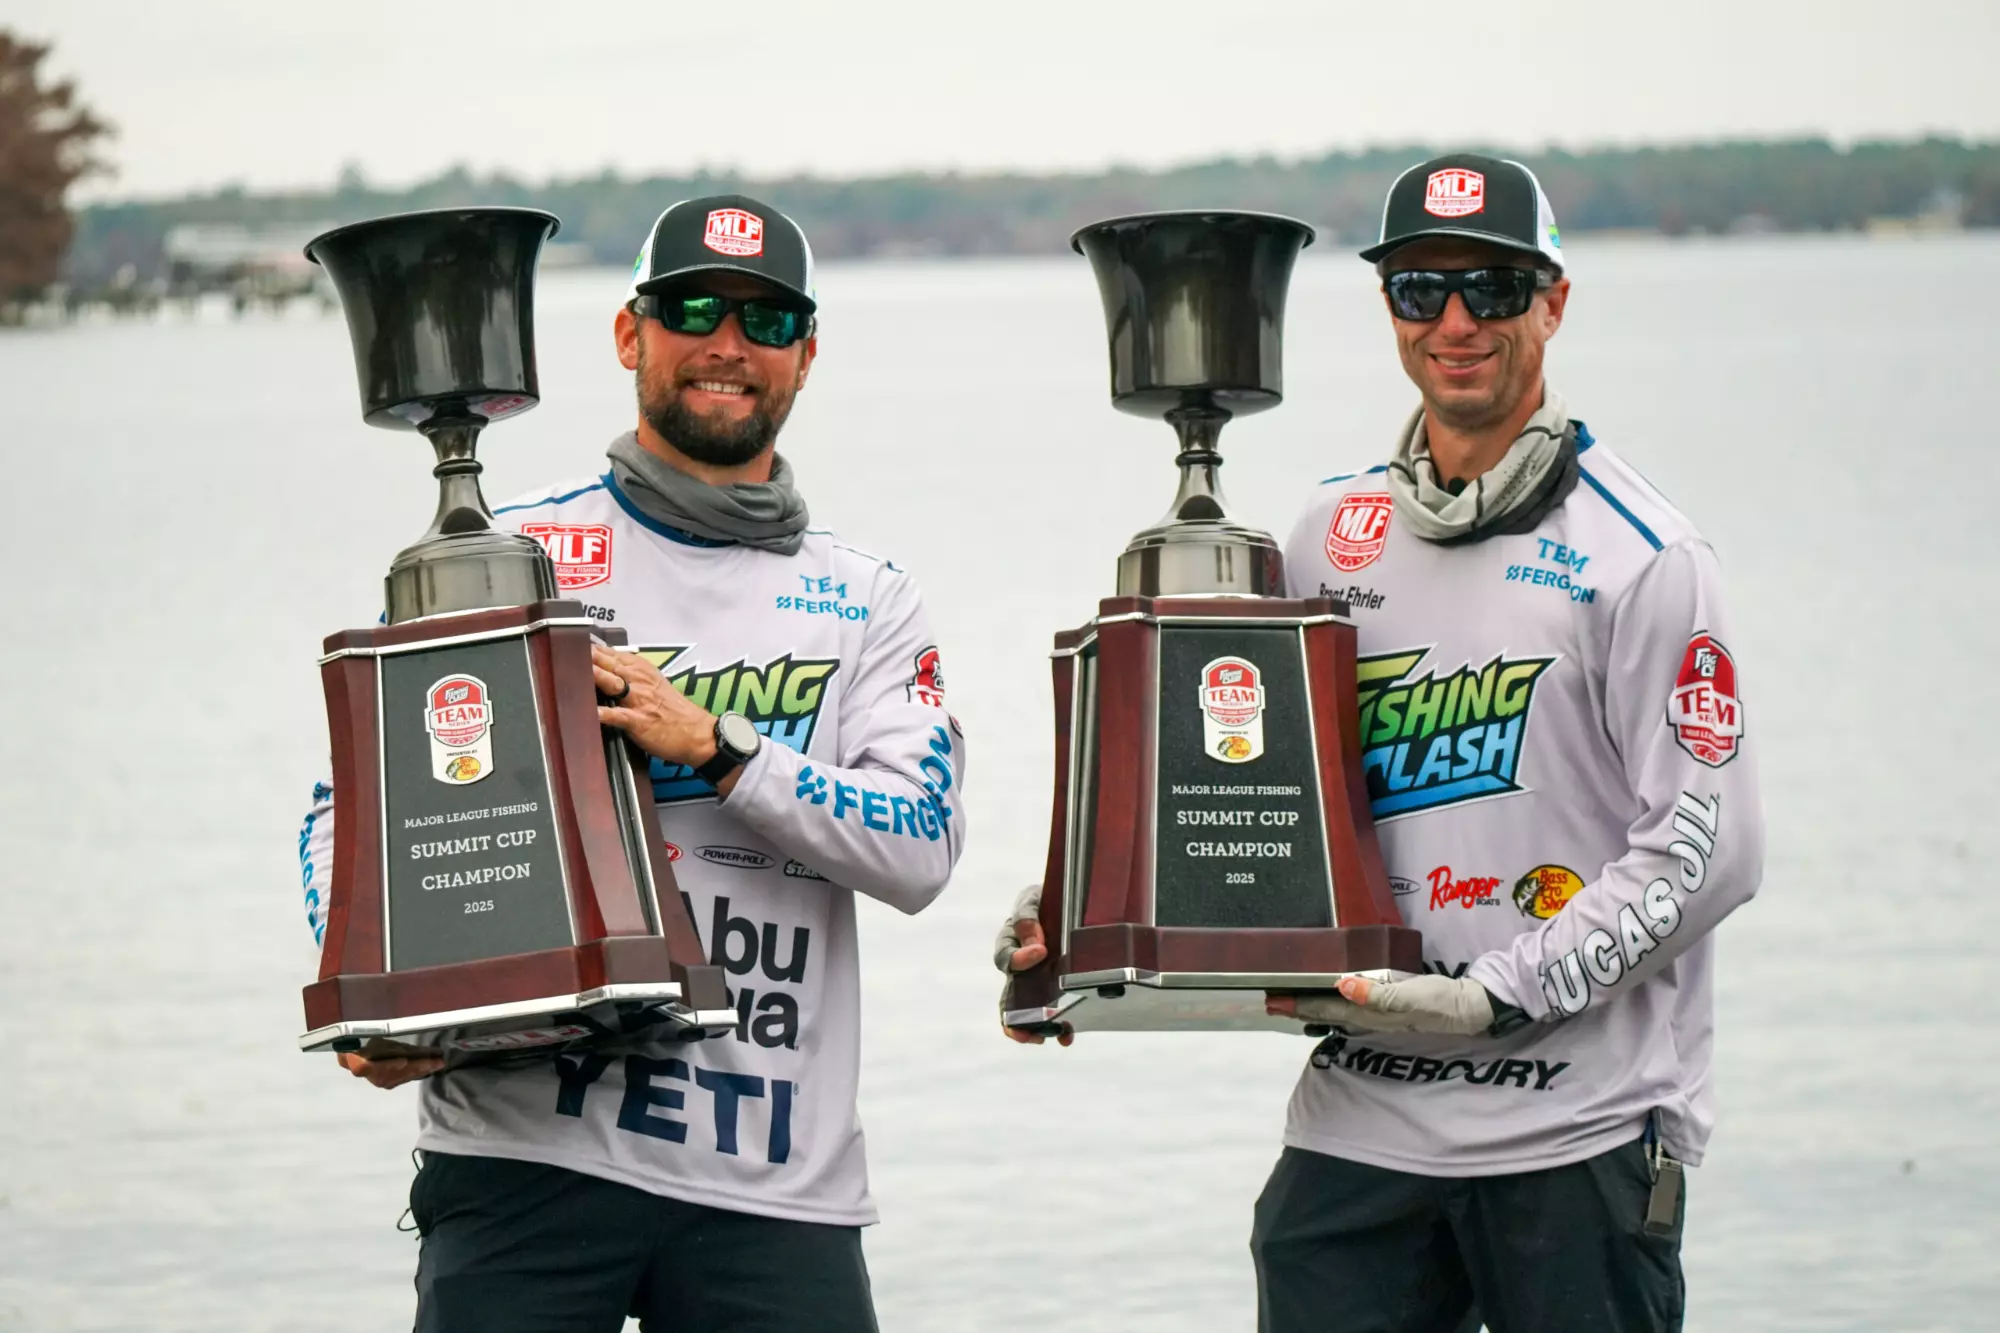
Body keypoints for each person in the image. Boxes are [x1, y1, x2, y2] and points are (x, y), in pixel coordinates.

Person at [995, 154, 1763, 1333]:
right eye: (1419, 289)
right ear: (1388, 306)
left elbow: (1708, 852)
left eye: (1490, 288)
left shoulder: (1645, 555)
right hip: (1361, 1127)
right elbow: (1240, 785)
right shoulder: (1328, 533)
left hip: (1573, 1127)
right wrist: (1085, 905)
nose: (1454, 322)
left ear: (1552, 302)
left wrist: (1494, 995)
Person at [298, 194, 968, 1332]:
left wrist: (717, 744)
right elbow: (344, 811)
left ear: (806, 355)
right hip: (523, 1156)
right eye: (692, 310)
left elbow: (920, 849)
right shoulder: (512, 554)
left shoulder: (869, 596)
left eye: (765, 320)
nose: (727, 343)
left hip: (775, 1180)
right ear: (628, 335)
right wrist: (378, 992)